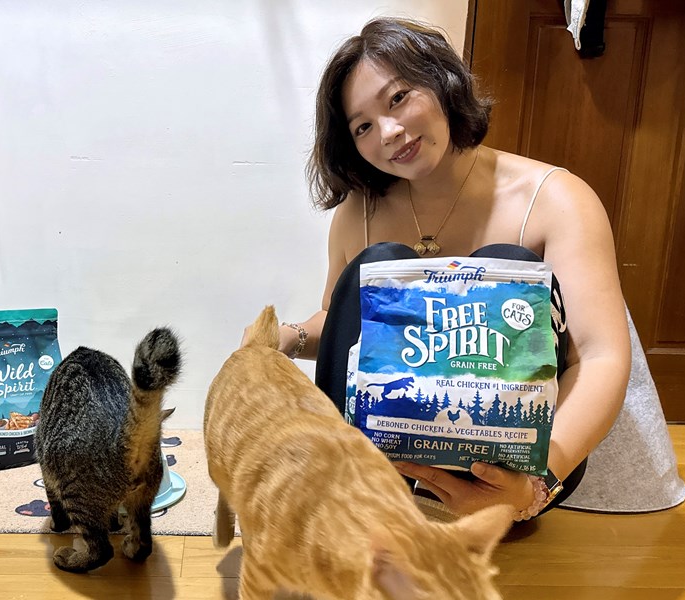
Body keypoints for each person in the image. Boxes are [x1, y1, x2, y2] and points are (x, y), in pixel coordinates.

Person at [269, 16, 632, 520]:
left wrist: (533, 487)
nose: (389, 132)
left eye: (398, 98)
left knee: (508, 266)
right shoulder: (359, 212)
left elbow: (599, 357)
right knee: (378, 264)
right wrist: (284, 338)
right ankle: (347, 493)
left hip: (513, 471)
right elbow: (339, 322)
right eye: (363, 127)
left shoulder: (555, 199)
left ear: (442, 81)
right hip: (380, 470)